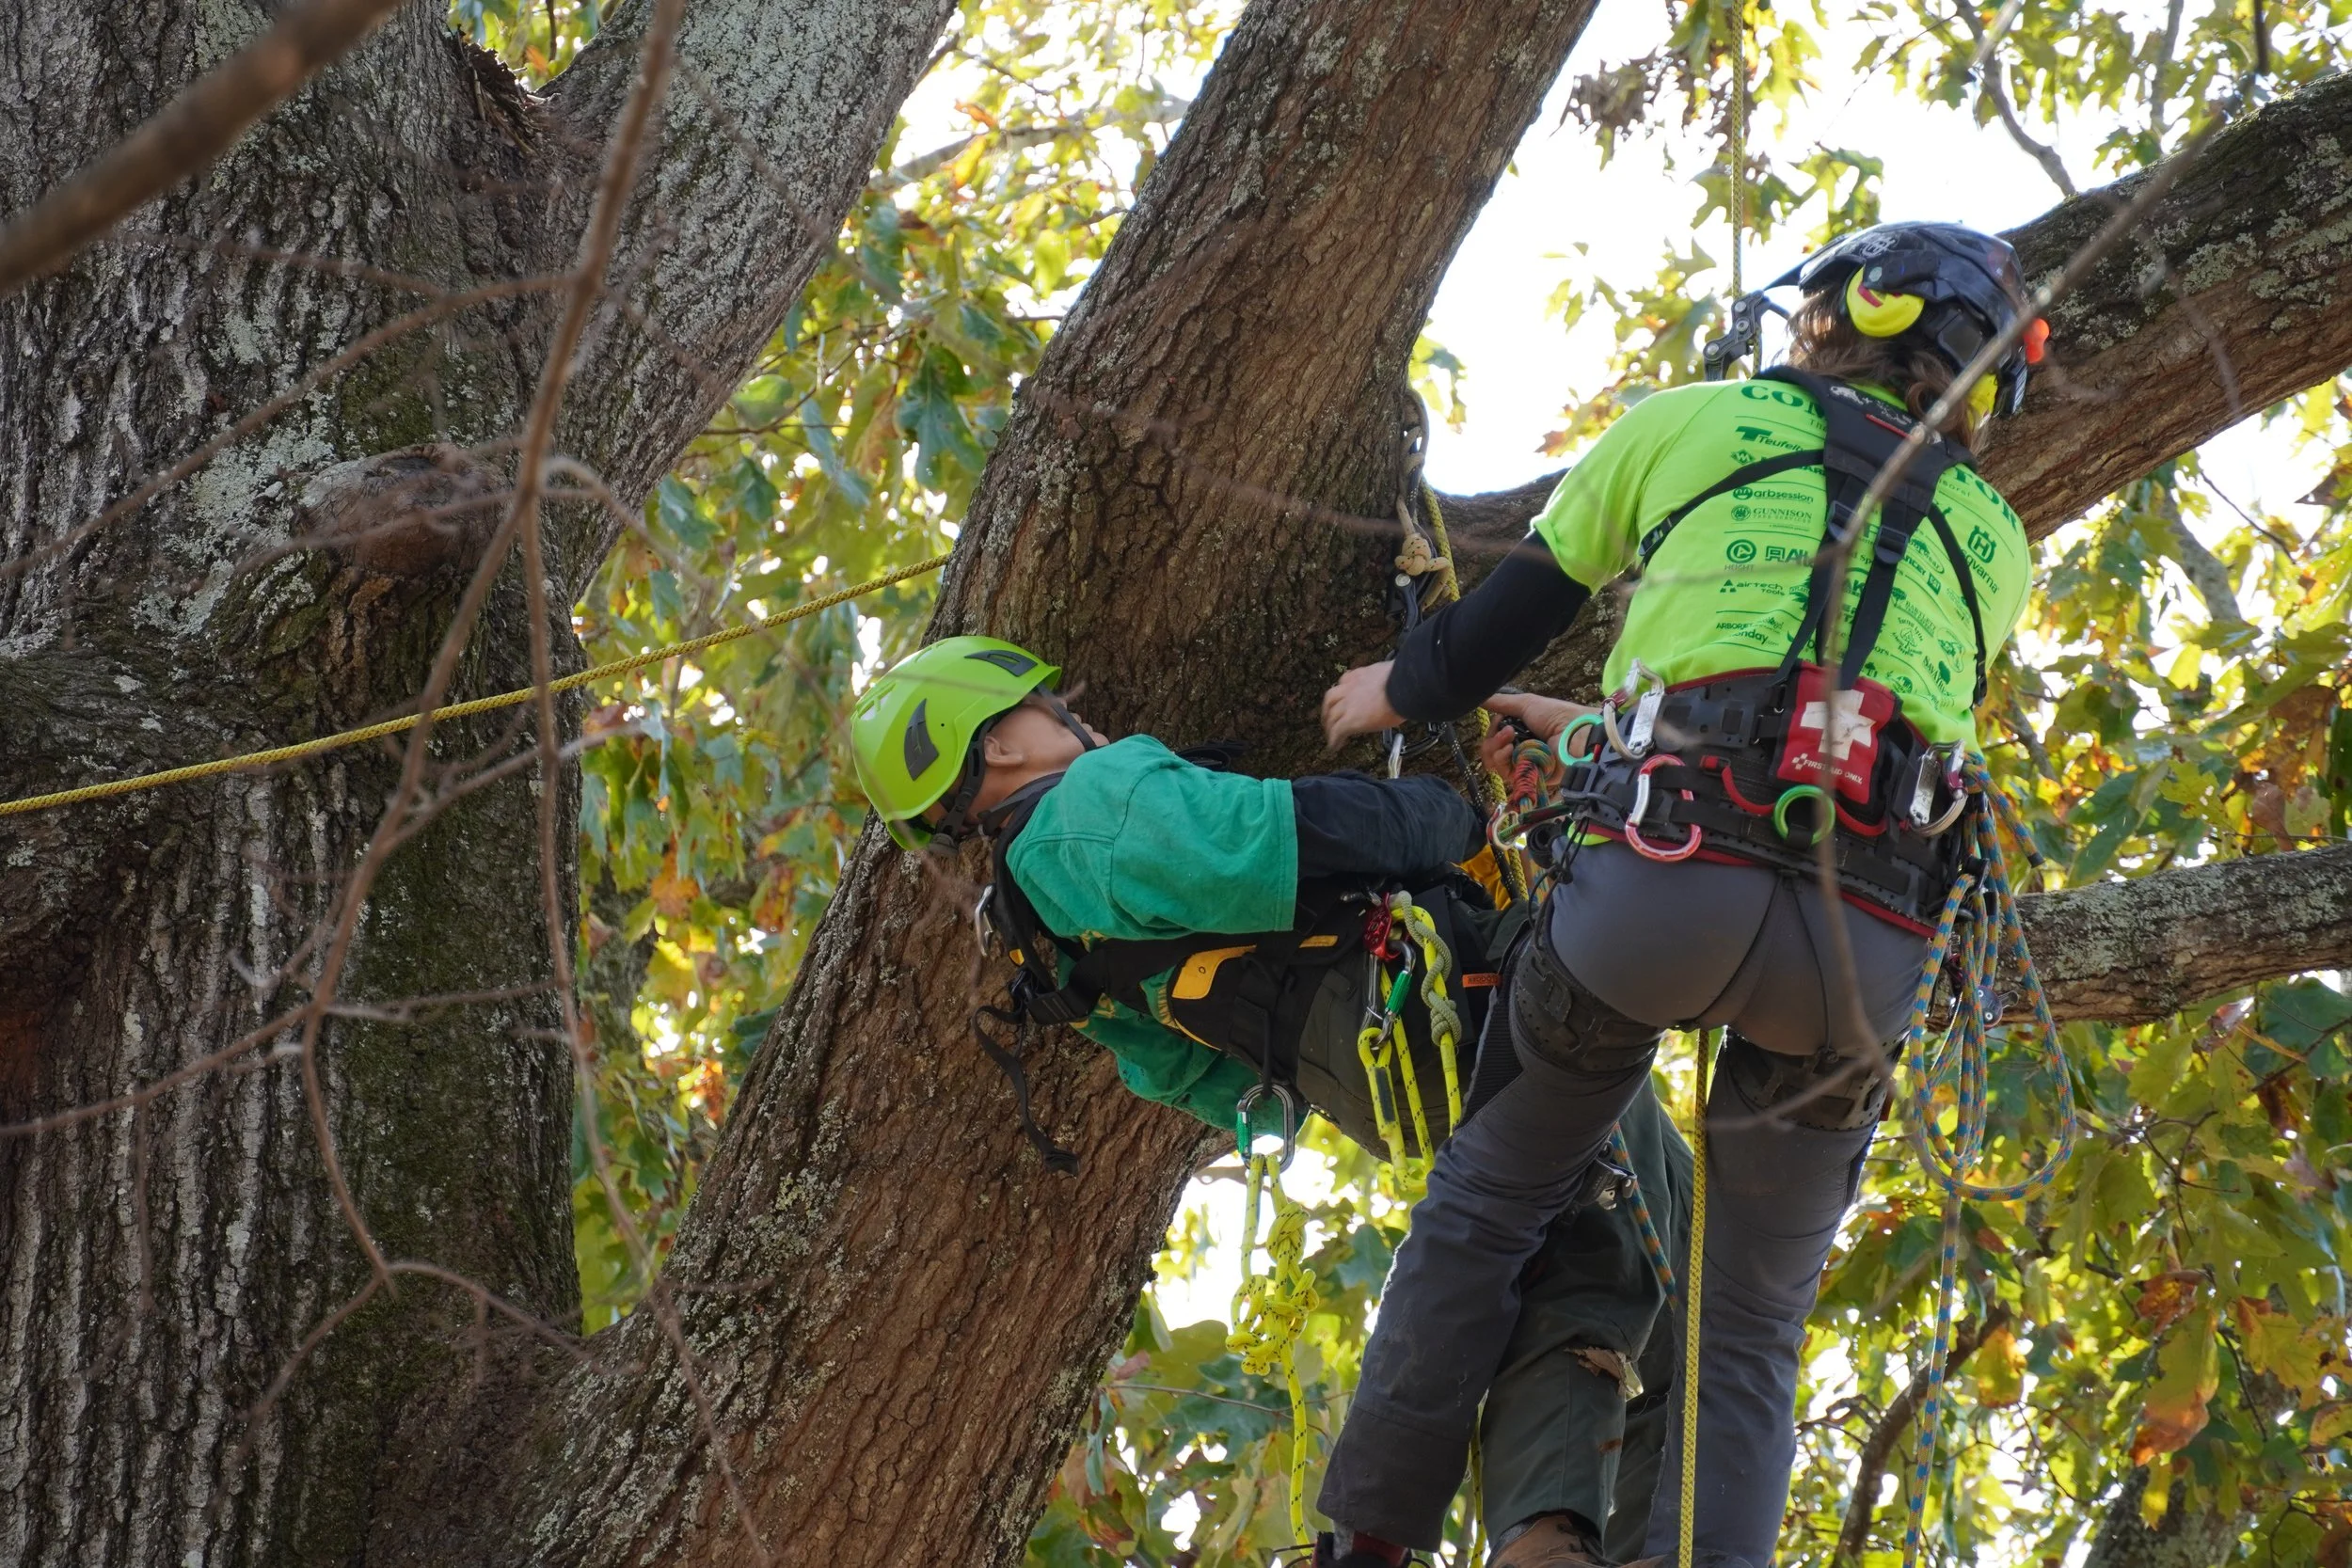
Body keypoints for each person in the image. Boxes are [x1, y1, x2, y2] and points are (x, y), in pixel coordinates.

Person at [1310, 221, 2045, 1568]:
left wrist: (1395, 690)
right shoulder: (1998, 541)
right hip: (1862, 945)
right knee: (1751, 1325)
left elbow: (1495, 629)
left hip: (1656, 893)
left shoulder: (1693, 420)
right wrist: (1602, 733)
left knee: (1491, 1200)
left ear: (1845, 313)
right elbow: (1832, 724)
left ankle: (1368, 1539)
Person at [847, 637, 1694, 1560]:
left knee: (1677, 1239)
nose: (1078, 714)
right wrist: (1443, 816)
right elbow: (1291, 835)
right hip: (1448, 1005)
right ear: (1001, 745)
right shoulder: (1093, 798)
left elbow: (1174, 1072)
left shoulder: (1033, 931)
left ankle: (1626, 1529)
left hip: (1386, 1075)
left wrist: (1315, 1075)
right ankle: (1549, 1534)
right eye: (1049, 704)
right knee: (1607, 1248)